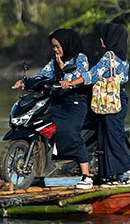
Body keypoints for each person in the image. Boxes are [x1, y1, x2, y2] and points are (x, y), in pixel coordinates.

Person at [12, 28, 93, 189]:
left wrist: (63, 67)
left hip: (75, 103)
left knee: (69, 132)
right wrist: (26, 82)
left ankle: (87, 176)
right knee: (42, 129)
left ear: (66, 44)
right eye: (54, 46)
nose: (56, 50)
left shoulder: (80, 58)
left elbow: (78, 78)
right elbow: (44, 74)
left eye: (58, 46)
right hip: (57, 101)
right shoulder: (54, 60)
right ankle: (37, 174)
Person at [61, 23, 130, 187]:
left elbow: (92, 75)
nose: (101, 40)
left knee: (115, 138)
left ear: (110, 39)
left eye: (104, 37)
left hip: (110, 100)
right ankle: (110, 177)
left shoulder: (109, 56)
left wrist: (71, 83)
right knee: (104, 136)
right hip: (118, 98)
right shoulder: (123, 58)